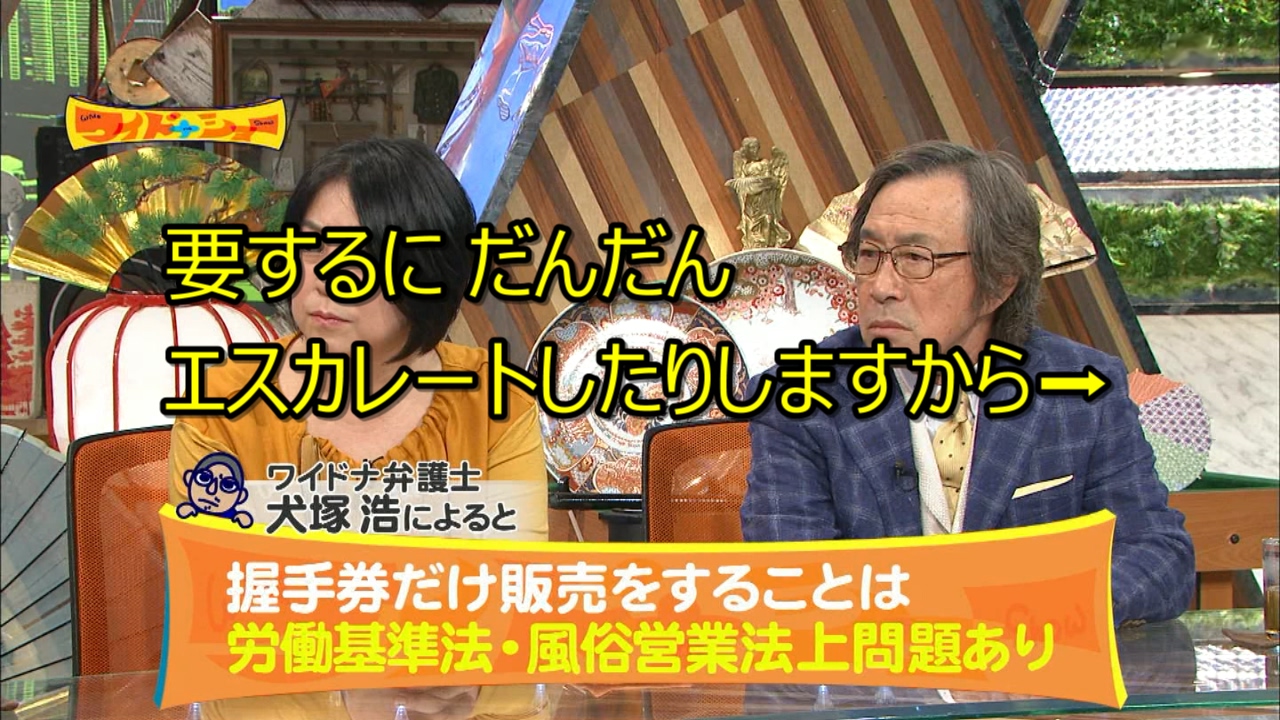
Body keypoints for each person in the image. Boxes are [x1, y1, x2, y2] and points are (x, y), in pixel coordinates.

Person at [166, 137, 549, 719]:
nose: (325, 277)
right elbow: (219, 617)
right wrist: (357, 686)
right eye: (312, 245)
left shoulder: (497, 405)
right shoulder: (223, 403)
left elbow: (515, 616)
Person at [739, 141, 1196, 628]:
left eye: (915, 258)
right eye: (868, 255)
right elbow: (792, 579)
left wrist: (1040, 607)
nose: (881, 286)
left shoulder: (1082, 391)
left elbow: (1158, 555)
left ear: (999, 281)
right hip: (876, 669)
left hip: (1034, 665)